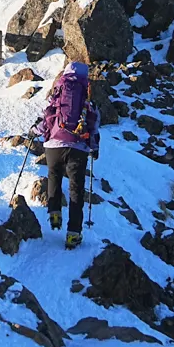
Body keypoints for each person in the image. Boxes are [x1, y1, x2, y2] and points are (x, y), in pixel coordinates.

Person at [30, 60, 101, 249]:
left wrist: (34, 131)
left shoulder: (58, 95)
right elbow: (93, 125)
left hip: (53, 146)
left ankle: (54, 212)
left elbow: (47, 118)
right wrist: (93, 147)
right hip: (77, 148)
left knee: (53, 175)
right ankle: (73, 234)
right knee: (76, 189)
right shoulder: (87, 99)